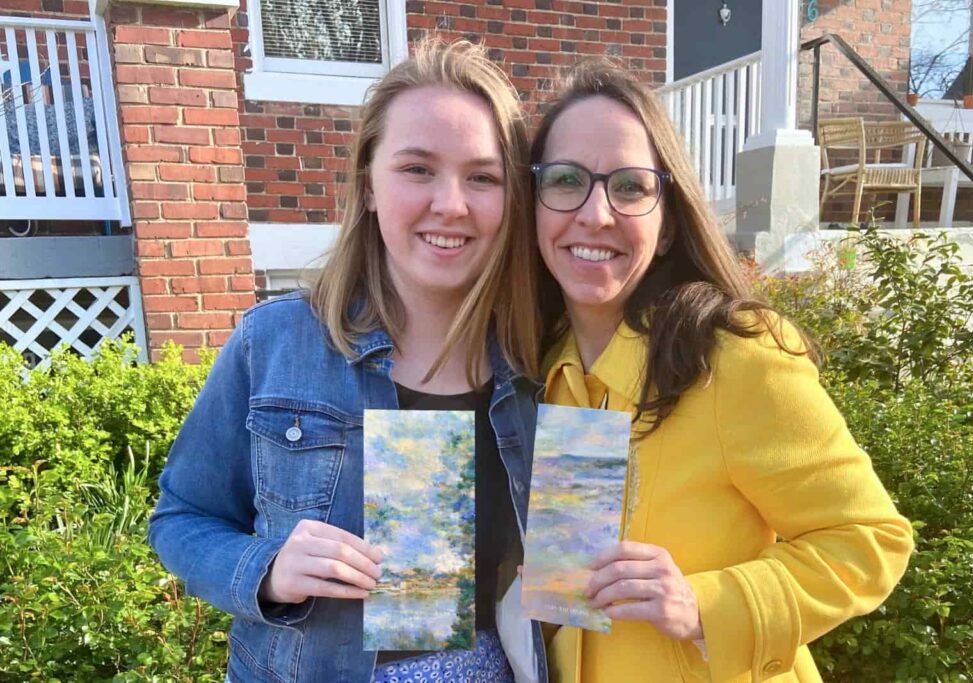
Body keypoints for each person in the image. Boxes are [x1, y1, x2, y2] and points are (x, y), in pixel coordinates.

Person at [149, 40, 550, 683]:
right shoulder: (276, 343)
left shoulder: (545, 366)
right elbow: (180, 517)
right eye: (417, 169)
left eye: (483, 176)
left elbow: (573, 589)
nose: (451, 203)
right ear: (368, 184)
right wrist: (269, 570)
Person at [530, 60, 914, 682]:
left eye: (629, 187)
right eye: (566, 179)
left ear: (669, 218)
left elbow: (871, 539)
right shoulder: (552, 370)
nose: (595, 213)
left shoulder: (733, 358)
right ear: (535, 203)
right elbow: (568, 598)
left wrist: (704, 604)